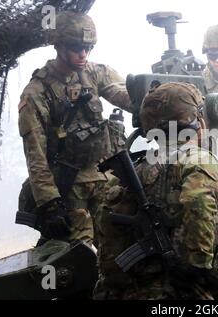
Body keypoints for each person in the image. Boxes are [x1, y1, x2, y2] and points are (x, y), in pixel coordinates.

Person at [93, 82, 218, 299]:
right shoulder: (198, 160)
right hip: (173, 293)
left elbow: (103, 237)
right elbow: (199, 212)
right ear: (199, 121)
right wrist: (197, 273)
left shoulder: (128, 172)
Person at [17, 11, 132, 246]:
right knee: (78, 259)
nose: (83, 54)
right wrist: (50, 203)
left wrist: (156, 99)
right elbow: (35, 154)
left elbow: (126, 96)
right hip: (69, 188)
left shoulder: (94, 72)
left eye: (88, 48)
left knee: (116, 251)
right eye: (76, 48)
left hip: (104, 179)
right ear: (59, 46)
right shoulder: (37, 93)